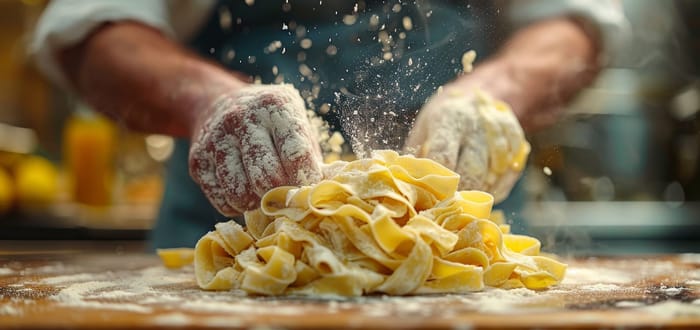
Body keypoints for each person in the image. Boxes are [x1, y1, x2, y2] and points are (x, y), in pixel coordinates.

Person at [32, 0, 626, 248]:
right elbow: (94, 29)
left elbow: (572, 24)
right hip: (232, 238)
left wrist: (489, 96)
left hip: (467, 243)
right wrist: (208, 99)